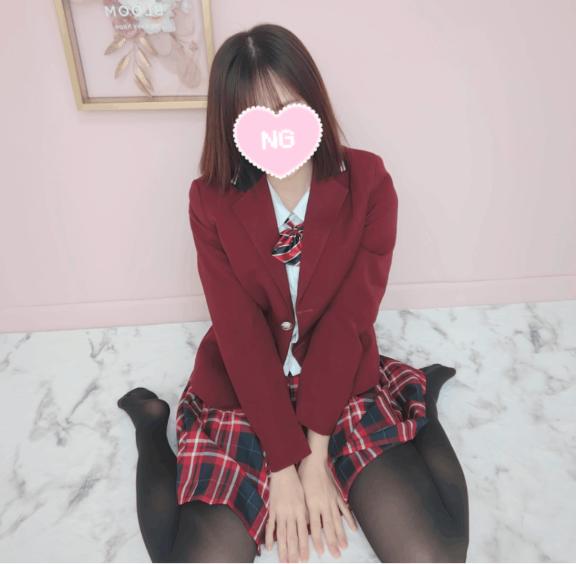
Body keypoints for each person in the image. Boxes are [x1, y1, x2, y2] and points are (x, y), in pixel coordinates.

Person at [117, 23, 469, 563]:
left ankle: (420, 404)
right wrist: (284, 466)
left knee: (435, 555)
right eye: (255, 114)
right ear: (231, 124)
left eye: (288, 106)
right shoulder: (209, 200)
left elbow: (350, 318)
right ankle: (150, 426)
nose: (276, 128)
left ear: (314, 100)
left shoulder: (369, 181)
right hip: (246, 383)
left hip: (338, 375)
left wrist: (316, 453)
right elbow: (239, 332)